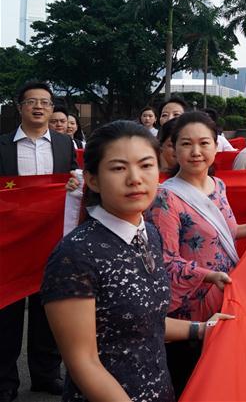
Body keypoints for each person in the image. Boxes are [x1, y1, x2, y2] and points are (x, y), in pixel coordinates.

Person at [41, 120, 231, 402]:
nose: (135, 178)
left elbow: (145, 321)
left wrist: (204, 329)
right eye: (118, 168)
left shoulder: (150, 235)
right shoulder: (75, 255)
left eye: (145, 165)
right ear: (92, 179)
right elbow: (83, 362)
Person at [147, 112, 246, 395]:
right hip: (190, 306)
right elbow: (166, 260)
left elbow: (221, 233)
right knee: (191, 380)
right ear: (173, 149)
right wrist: (209, 275)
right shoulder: (165, 197)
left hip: (224, 296)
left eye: (204, 143)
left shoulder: (219, 186)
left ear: (216, 146)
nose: (196, 152)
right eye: (186, 144)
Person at [0, 81, 78, 399]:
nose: (38, 106)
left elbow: (74, 177)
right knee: (7, 312)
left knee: (49, 310)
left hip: (50, 239)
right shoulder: (3, 145)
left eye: (44, 102)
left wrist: (74, 183)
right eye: (31, 101)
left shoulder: (63, 144)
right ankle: (5, 382)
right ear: (20, 107)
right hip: (11, 243)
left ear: (51, 108)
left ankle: (46, 374)